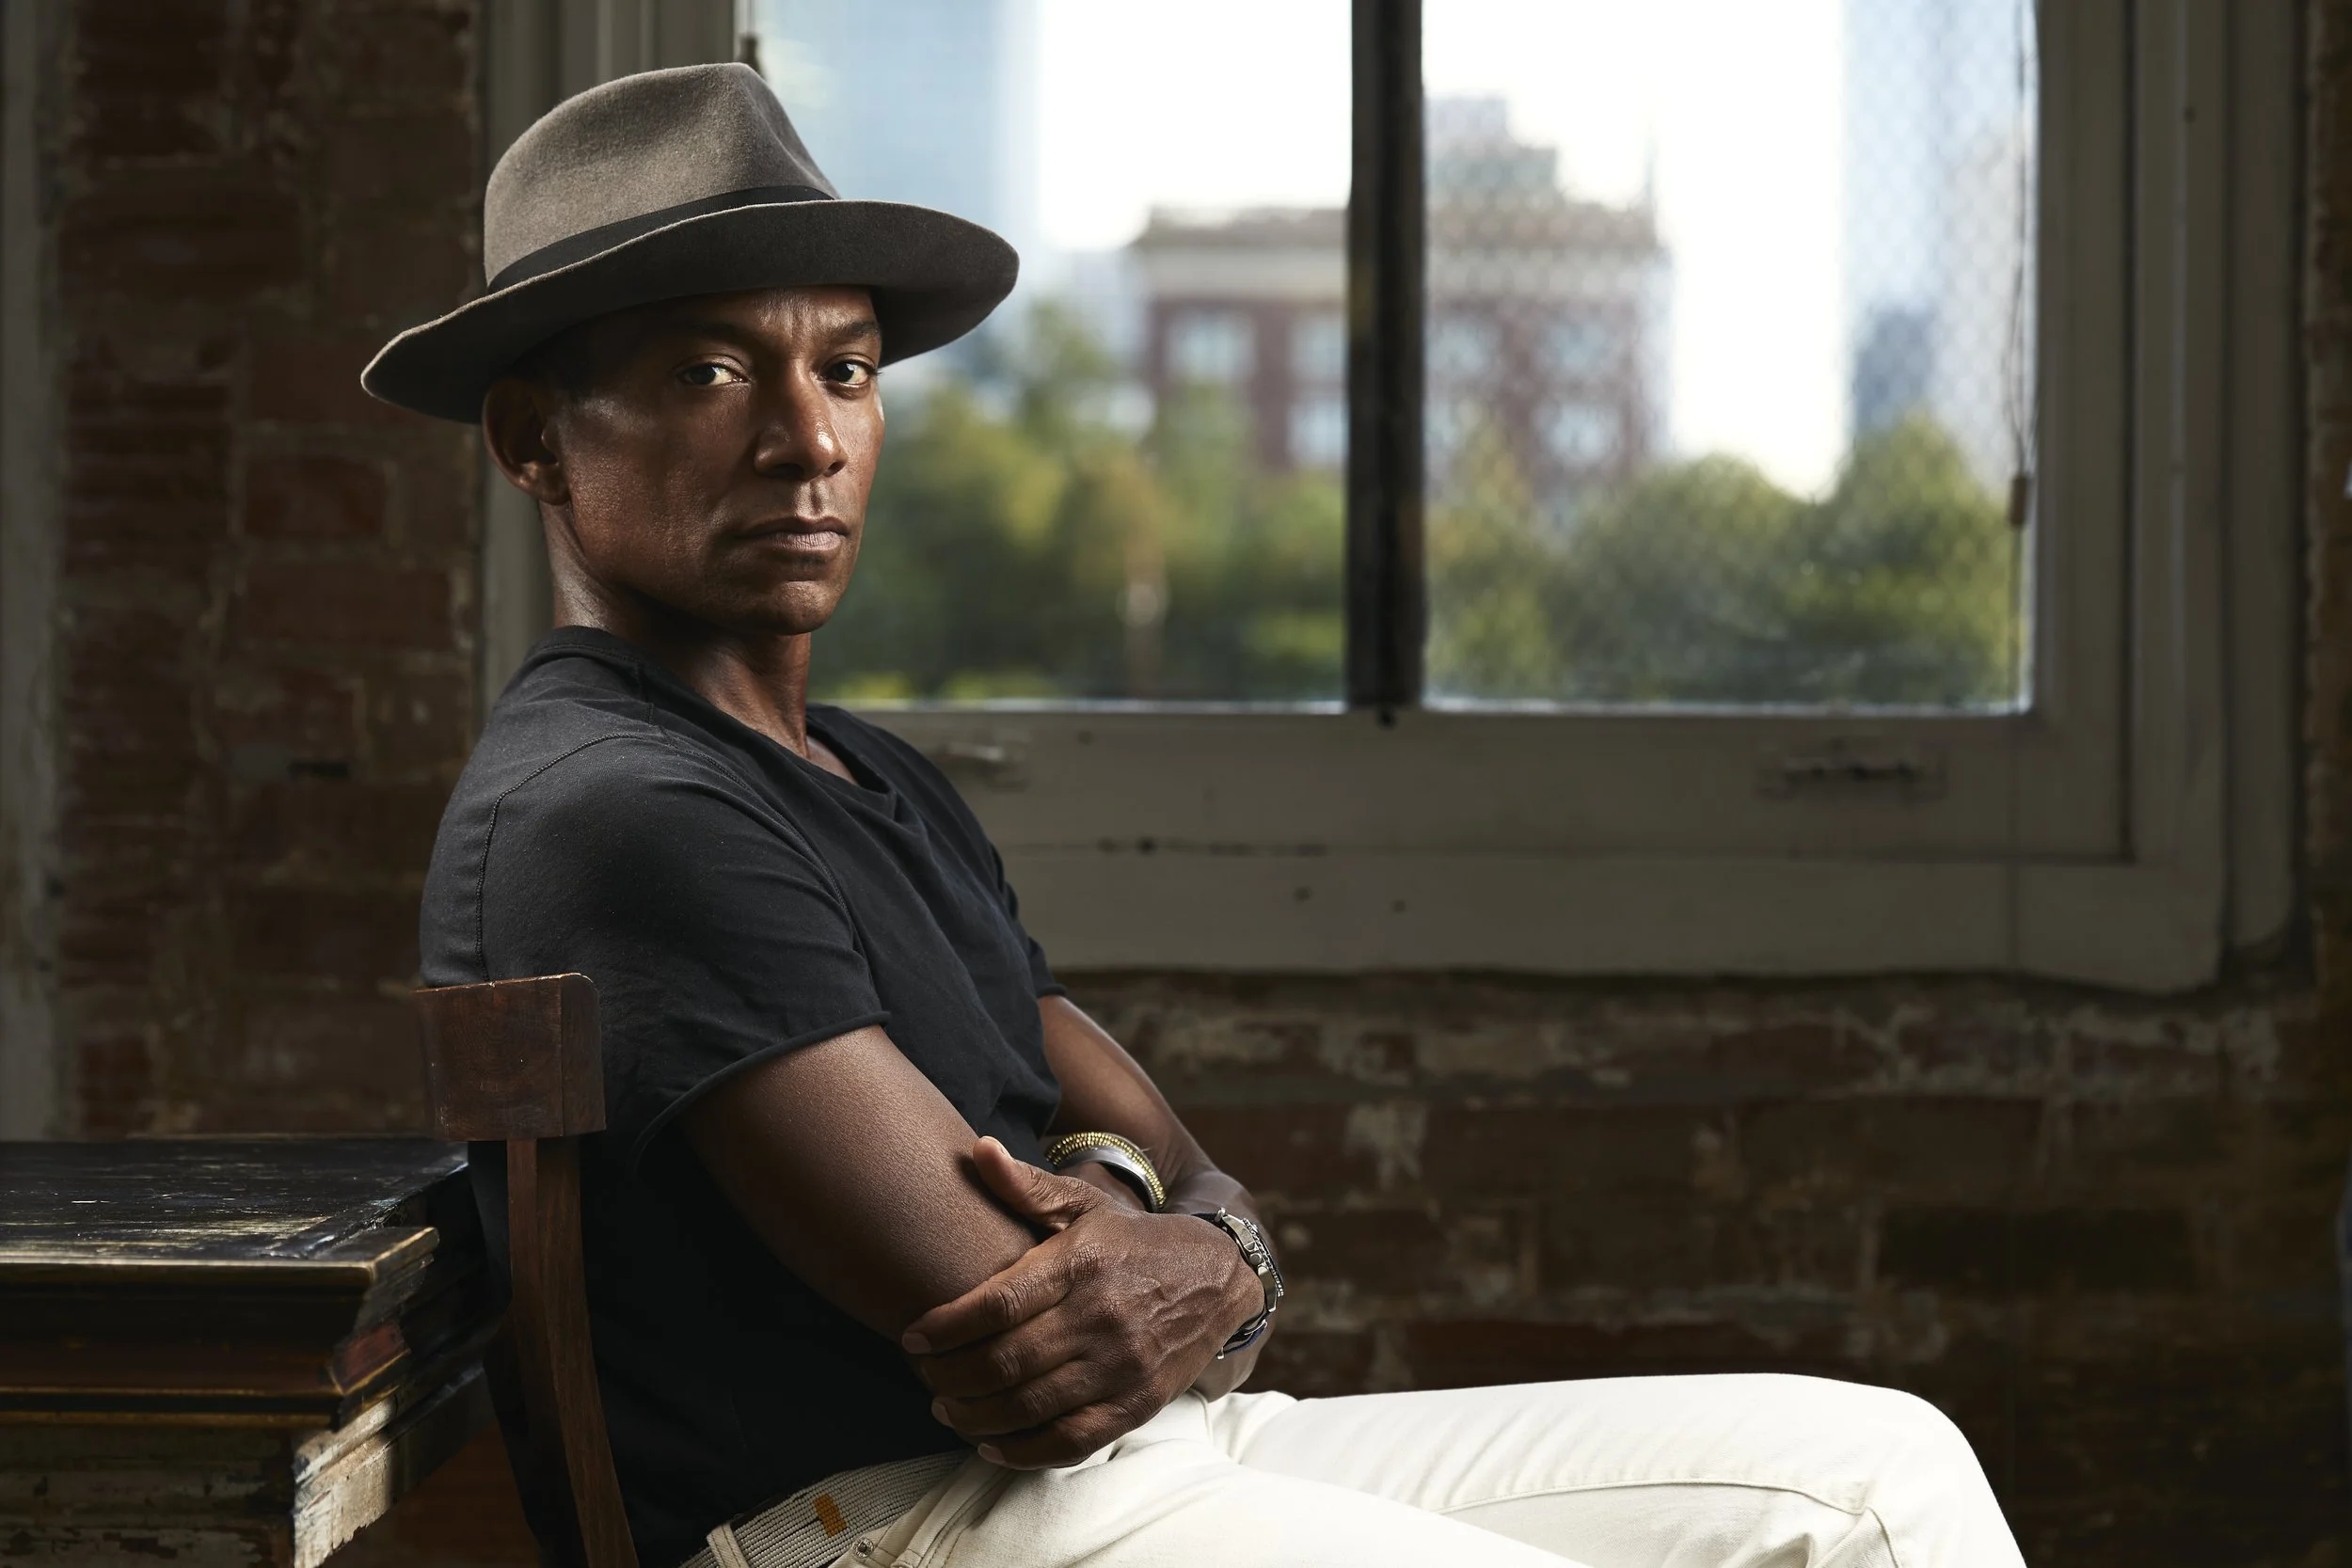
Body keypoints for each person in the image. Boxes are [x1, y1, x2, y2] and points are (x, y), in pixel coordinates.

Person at [371, 62, 2026, 1568]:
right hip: (886, 1520)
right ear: (534, 438)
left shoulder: (870, 778)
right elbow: (1014, 1312)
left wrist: (1210, 1249)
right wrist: (1193, 1238)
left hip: (1146, 1460)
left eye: (847, 368)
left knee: (1883, 1475)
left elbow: (1178, 1170)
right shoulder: (616, 809)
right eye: (710, 369)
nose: (806, 437)